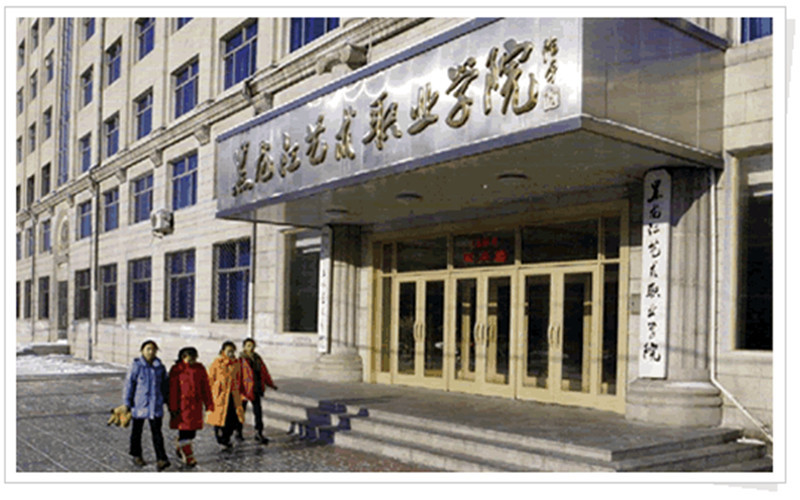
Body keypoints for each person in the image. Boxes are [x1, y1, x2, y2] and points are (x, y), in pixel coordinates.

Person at [123, 339, 170, 471]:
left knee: (157, 433)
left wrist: (167, 401)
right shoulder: (136, 366)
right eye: (148, 349)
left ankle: (161, 458)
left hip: (155, 406)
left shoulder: (160, 367)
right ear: (142, 350)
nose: (151, 352)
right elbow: (129, 385)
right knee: (137, 431)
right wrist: (127, 403)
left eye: (153, 349)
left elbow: (165, 386)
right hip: (139, 405)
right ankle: (136, 454)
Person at [168, 347, 213, 467]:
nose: (193, 361)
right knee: (185, 431)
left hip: (196, 406)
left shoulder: (200, 368)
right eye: (190, 358)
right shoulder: (177, 369)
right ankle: (188, 456)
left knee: (192, 432)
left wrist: (209, 403)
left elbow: (205, 387)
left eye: (194, 358)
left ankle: (181, 446)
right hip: (182, 406)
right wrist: (173, 407)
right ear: (183, 357)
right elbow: (173, 390)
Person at [236, 338, 278, 444]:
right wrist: (238, 389)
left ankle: (259, 432)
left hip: (256, 388)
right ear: (244, 347)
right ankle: (238, 432)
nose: (251, 348)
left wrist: (270, 384)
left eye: (252, 346)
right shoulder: (240, 360)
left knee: (258, 412)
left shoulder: (257, 359)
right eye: (248, 346)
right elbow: (238, 376)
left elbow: (264, 372)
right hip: (245, 390)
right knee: (241, 412)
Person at [206, 341, 245, 450]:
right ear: (223, 351)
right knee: (219, 418)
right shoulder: (217, 363)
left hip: (233, 395)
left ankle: (227, 437)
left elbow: (239, 378)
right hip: (220, 395)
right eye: (229, 351)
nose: (231, 353)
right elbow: (210, 379)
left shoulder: (236, 363)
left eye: (233, 351)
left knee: (232, 418)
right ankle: (221, 438)